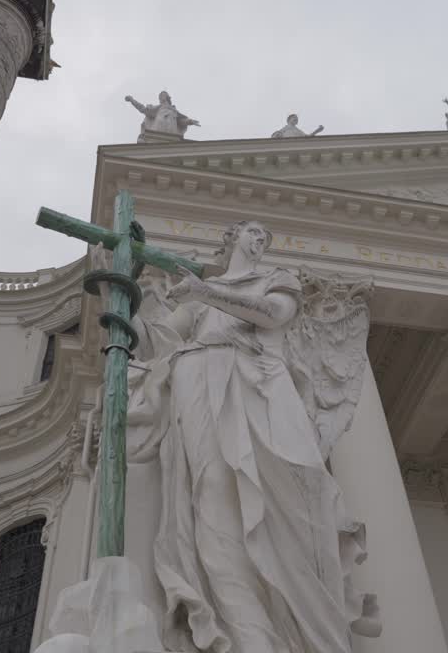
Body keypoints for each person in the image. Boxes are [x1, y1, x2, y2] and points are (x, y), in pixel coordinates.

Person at [128, 220, 376, 653]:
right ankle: (246, 636)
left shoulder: (277, 280)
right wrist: (121, 289)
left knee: (301, 498)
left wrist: (204, 292)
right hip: (200, 378)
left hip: (261, 384)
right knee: (212, 498)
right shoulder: (199, 294)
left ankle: (307, 629)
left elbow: (274, 314)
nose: (260, 240)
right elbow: (159, 340)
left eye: (266, 237)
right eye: (253, 232)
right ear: (229, 238)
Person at [125, 91, 200, 141]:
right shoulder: (157, 108)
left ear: (167, 97)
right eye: (160, 96)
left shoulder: (173, 110)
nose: (160, 97)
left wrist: (190, 121)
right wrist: (132, 100)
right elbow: (143, 109)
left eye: (162, 95)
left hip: (172, 133)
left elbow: (180, 121)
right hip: (157, 131)